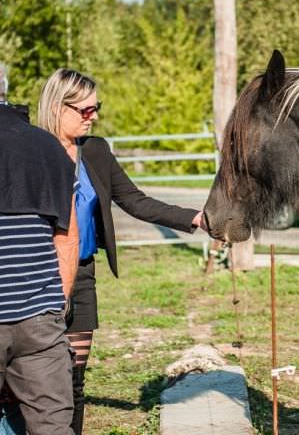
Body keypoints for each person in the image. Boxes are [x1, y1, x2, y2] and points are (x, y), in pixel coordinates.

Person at [37, 68, 207, 434]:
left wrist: (195, 218)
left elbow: (134, 200)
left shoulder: (95, 151)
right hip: (38, 277)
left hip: (81, 275)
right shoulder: (32, 150)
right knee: (36, 382)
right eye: (85, 110)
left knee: (73, 381)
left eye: (96, 108)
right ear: (57, 106)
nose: (94, 116)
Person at [0, 63, 79, 435]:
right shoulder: (48, 146)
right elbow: (67, 237)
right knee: (52, 428)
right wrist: (55, 305)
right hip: (39, 319)